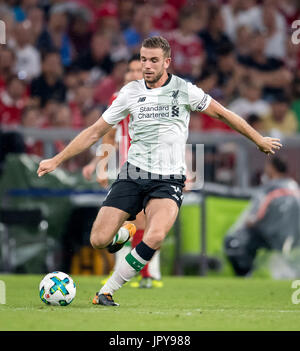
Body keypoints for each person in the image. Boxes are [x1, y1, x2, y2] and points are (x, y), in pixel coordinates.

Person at [37, 36, 282, 306]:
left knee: (155, 235)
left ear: (167, 62)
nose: (147, 65)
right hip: (133, 174)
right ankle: (127, 230)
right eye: (143, 59)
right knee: (98, 239)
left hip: (168, 180)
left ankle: (106, 291)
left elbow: (223, 113)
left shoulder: (185, 90)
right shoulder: (129, 93)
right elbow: (96, 131)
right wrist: (57, 159)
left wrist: (258, 139)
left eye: (153, 60)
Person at [82, 54, 162, 289]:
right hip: (130, 168)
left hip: (158, 166)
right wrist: (101, 165)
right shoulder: (119, 98)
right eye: (131, 70)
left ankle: (145, 274)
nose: (134, 74)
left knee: (146, 222)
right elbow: (109, 135)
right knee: (137, 222)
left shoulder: (160, 98)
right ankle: (144, 274)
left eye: (139, 70)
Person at [225, 156, 300, 276]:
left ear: (271, 168)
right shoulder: (295, 188)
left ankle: (245, 276)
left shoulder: (269, 190)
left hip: (268, 237)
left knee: (233, 241)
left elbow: (253, 218)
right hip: (295, 238)